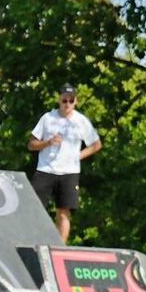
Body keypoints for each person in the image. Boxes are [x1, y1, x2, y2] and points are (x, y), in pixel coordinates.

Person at [28, 83, 102, 242]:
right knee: (34, 208)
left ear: (75, 101)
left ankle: (60, 248)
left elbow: (96, 145)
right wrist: (47, 143)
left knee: (63, 212)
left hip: (69, 172)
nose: (67, 104)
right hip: (45, 169)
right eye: (64, 100)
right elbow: (31, 144)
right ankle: (33, 240)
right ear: (59, 100)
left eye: (71, 100)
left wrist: (78, 156)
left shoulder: (81, 121)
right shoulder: (48, 118)